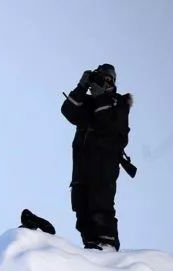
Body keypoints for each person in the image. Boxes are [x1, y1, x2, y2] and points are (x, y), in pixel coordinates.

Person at [60, 63, 134, 251]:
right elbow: (68, 111)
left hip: (104, 165)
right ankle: (91, 248)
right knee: (81, 208)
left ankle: (108, 247)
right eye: (101, 78)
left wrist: (101, 97)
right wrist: (81, 86)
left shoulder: (119, 103)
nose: (104, 82)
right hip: (82, 166)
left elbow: (109, 126)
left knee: (101, 207)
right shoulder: (87, 102)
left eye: (109, 79)